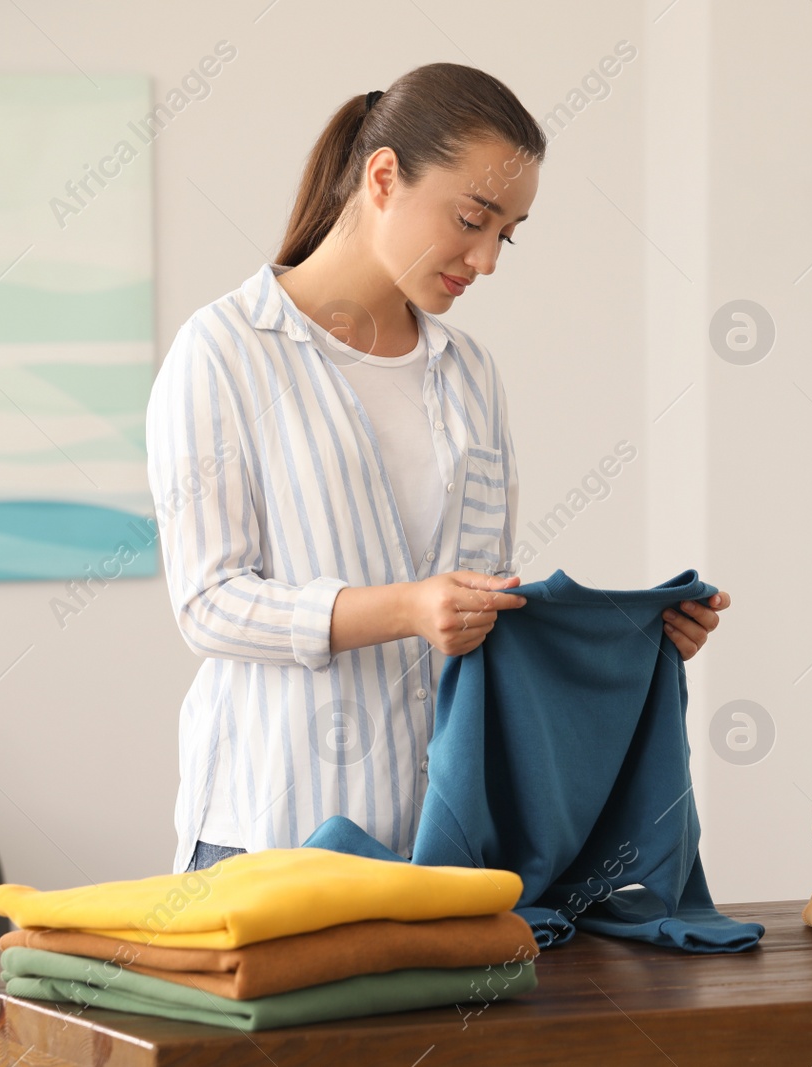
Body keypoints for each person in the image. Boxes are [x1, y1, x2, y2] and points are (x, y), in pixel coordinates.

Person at [145, 62, 728, 876]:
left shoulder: (470, 374)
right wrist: (408, 608)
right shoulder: (226, 352)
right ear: (383, 177)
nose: (486, 259)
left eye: (507, 234)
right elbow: (209, 603)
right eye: (472, 218)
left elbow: (478, 609)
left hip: (442, 844)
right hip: (271, 832)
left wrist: (629, 642)